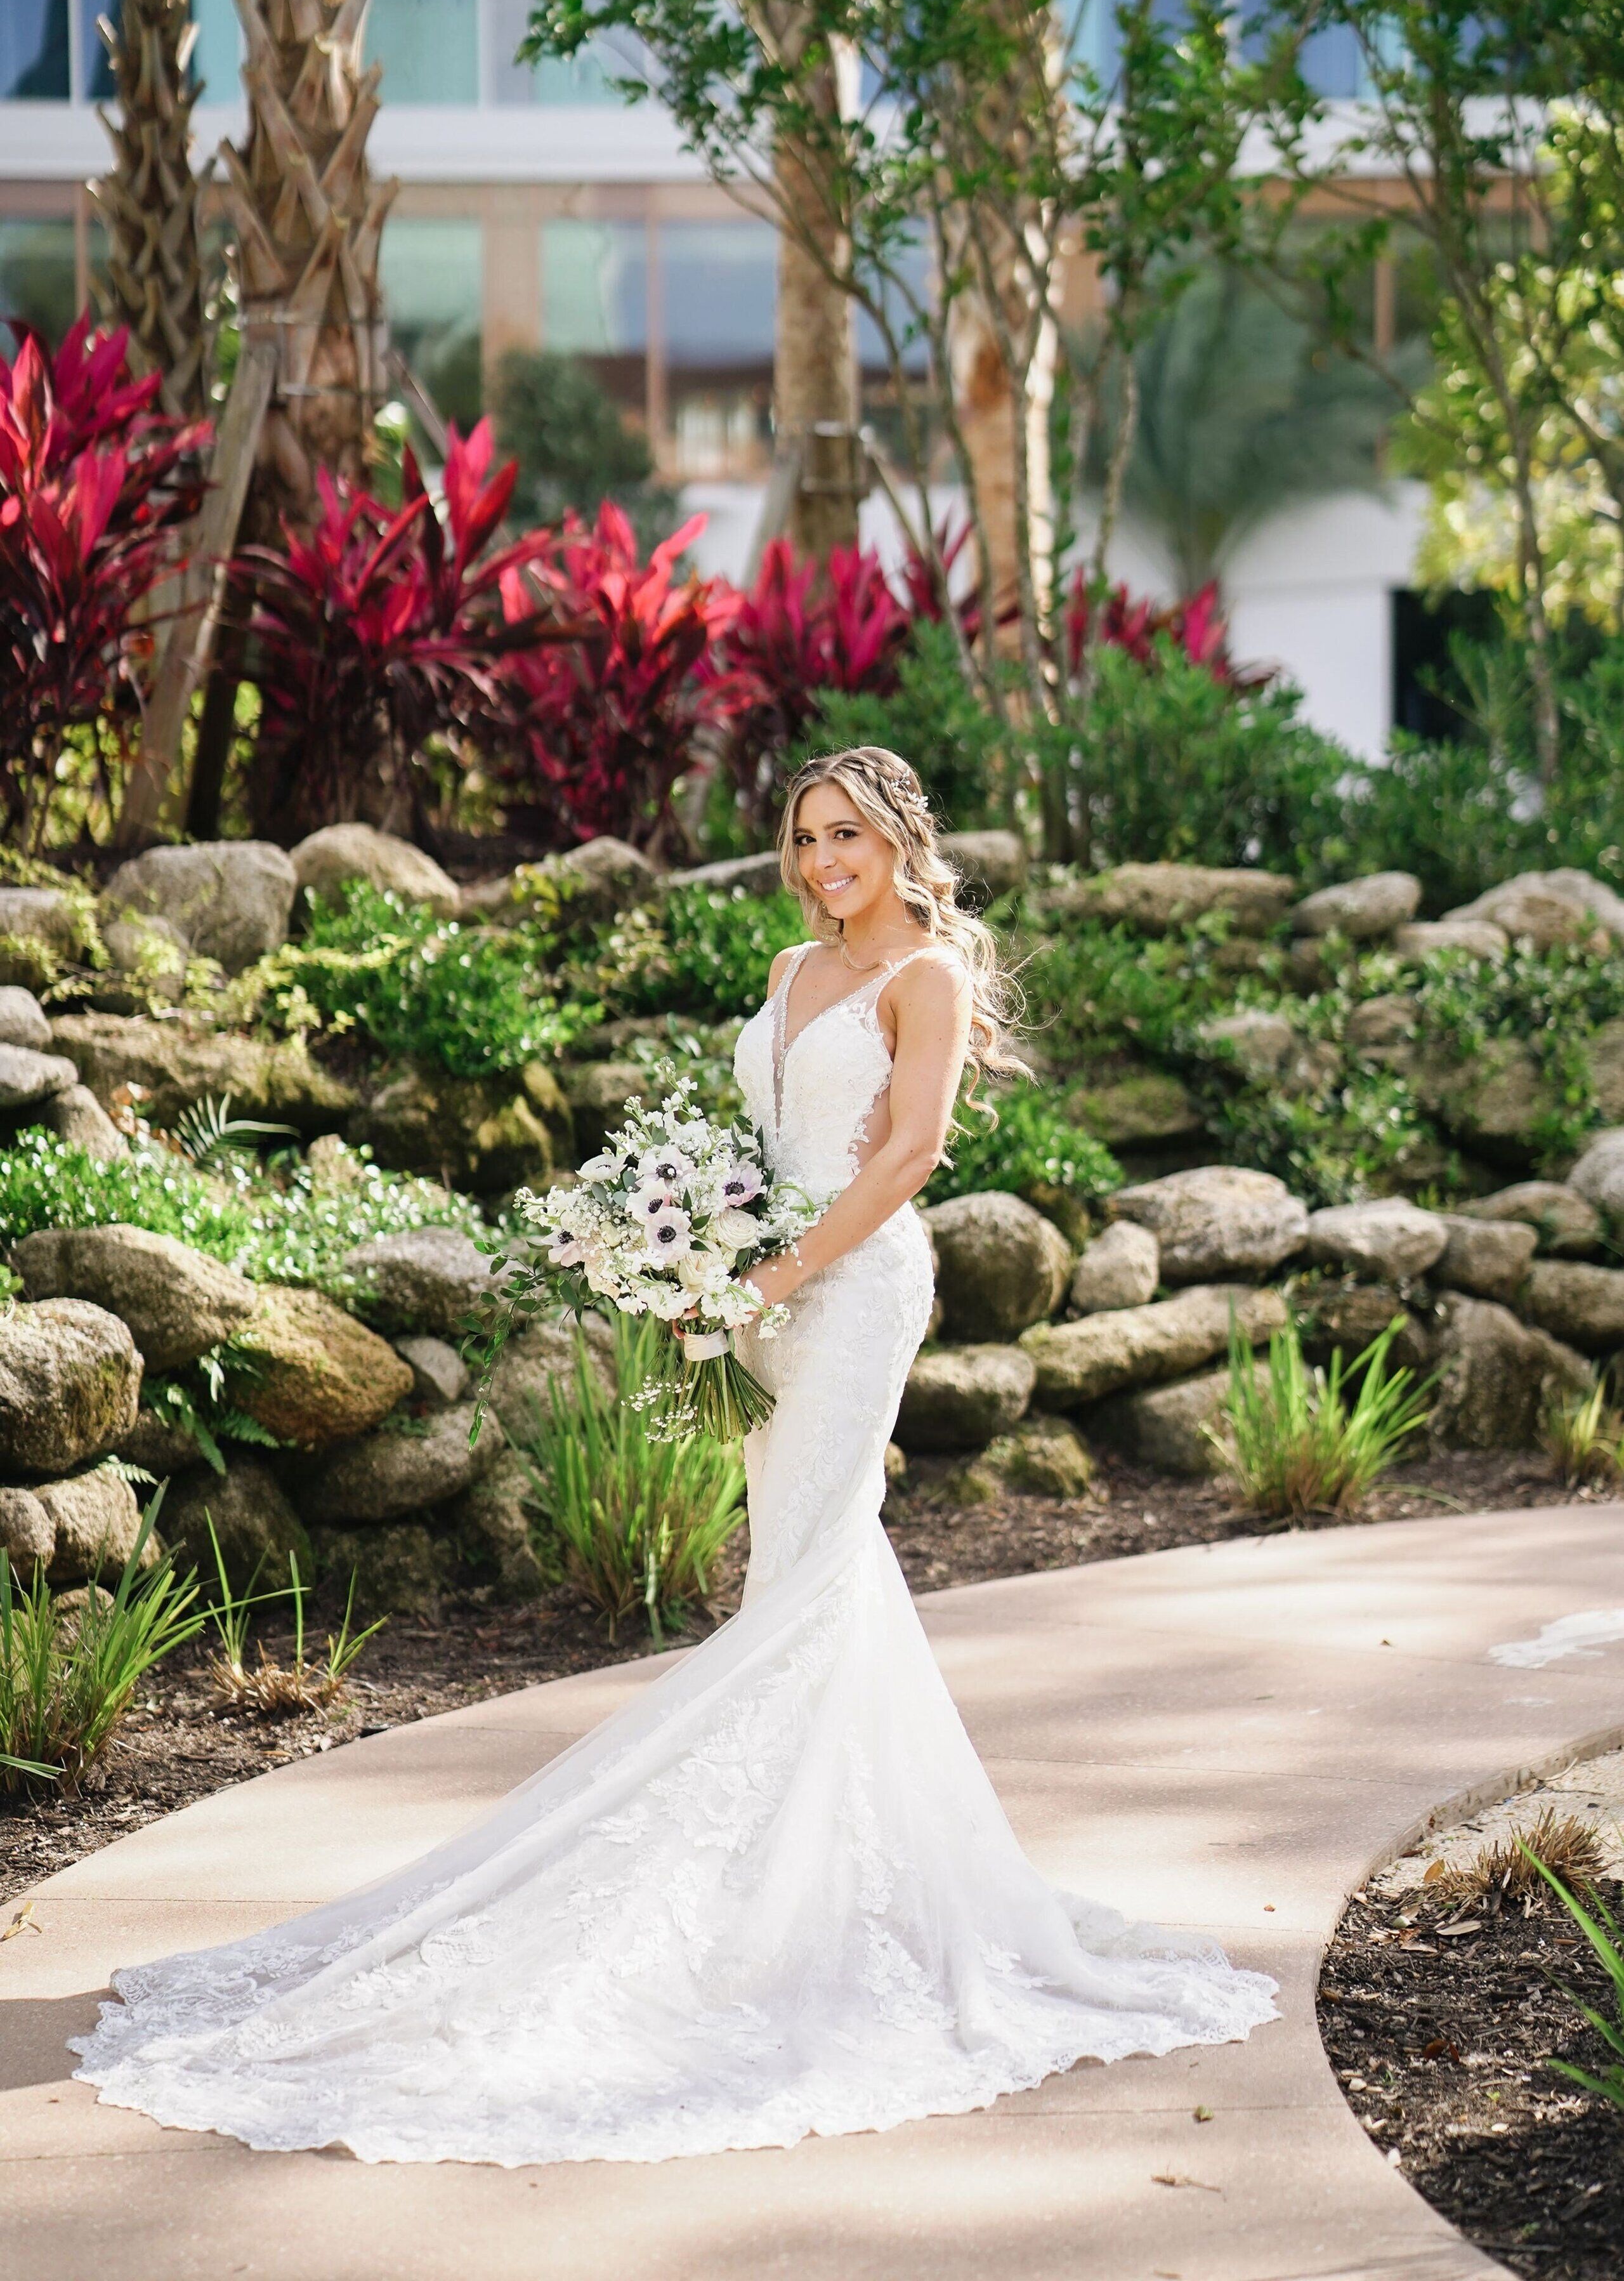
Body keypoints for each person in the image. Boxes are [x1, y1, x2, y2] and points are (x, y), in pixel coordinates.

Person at [71, 746, 1276, 2166]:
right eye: (804, 835)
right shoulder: (784, 968)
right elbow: (767, 1139)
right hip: (754, 1288)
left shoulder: (924, 980)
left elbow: (908, 1156)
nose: (823, 859)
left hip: (847, 1289)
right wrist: (692, 1244)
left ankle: (777, 1897)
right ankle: (831, 1870)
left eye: (848, 835)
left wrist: (770, 1275)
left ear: (899, 843)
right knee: (810, 1576)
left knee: (807, 1579)